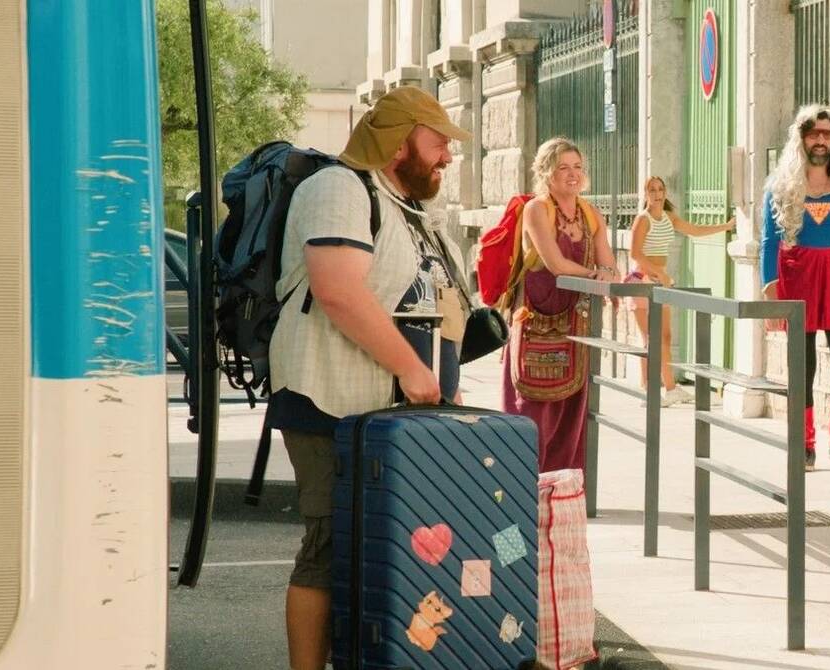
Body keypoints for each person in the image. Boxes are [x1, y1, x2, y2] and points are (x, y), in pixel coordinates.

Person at [265, 86, 472, 670]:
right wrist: (412, 369)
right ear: (399, 141)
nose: (447, 155)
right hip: (328, 399)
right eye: (438, 142)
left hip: (392, 413)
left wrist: (444, 382)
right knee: (329, 547)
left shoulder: (405, 207)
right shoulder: (338, 188)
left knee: (384, 548)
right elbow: (337, 290)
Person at [761, 104, 830, 468]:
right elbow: (769, 244)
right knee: (802, 370)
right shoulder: (779, 188)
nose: (821, 140)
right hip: (797, 284)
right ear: (801, 139)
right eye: (814, 134)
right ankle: (804, 444)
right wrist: (770, 296)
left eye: (827, 134)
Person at [500, 137, 621, 473]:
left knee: (572, 419)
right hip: (537, 327)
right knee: (532, 415)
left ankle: (564, 493)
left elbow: (609, 264)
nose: (573, 174)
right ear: (546, 172)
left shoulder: (591, 214)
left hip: (577, 329)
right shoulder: (537, 210)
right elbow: (555, 264)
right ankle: (522, 489)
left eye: (577, 167)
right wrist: (595, 274)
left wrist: (608, 275)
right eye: (563, 167)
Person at [626, 175, 734, 406]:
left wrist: (725, 226)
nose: (657, 193)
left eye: (660, 189)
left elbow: (695, 230)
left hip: (661, 281)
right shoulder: (642, 219)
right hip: (642, 280)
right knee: (650, 339)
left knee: (665, 336)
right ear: (645, 194)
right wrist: (660, 273)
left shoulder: (669, 217)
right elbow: (635, 253)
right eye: (652, 190)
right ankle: (648, 390)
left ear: (665, 192)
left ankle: (671, 389)